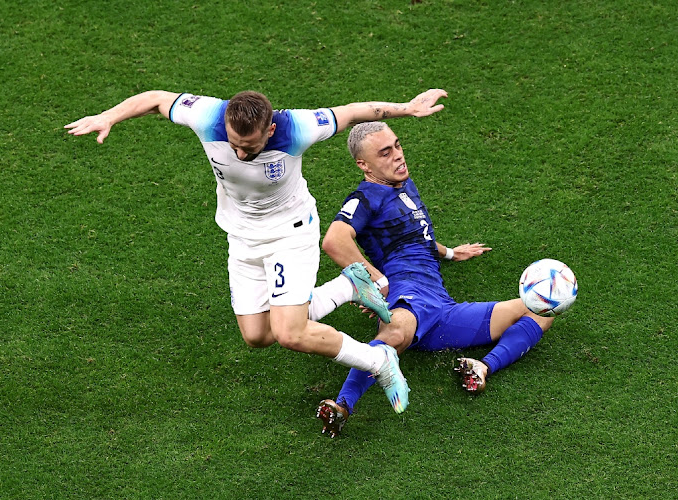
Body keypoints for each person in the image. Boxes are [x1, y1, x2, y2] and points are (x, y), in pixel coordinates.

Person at [65, 88, 448, 413]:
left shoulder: (297, 127)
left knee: (290, 334)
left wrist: (407, 109)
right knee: (257, 335)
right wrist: (108, 116)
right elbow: (154, 99)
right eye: (234, 145)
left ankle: (378, 360)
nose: (241, 154)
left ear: (271, 129)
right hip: (242, 238)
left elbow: (352, 113)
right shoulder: (209, 116)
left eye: (250, 147)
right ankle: (349, 286)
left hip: (290, 235)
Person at [311, 121, 556, 437]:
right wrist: (374, 282)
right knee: (395, 336)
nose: (398, 156)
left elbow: (417, 234)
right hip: (406, 290)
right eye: (385, 153)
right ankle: (343, 406)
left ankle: (481, 367)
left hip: (441, 307)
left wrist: (450, 252)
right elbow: (334, 241)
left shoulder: (401, 182)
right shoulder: (366, 197)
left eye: (397, 145)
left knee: (542, 310)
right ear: (364, 164)